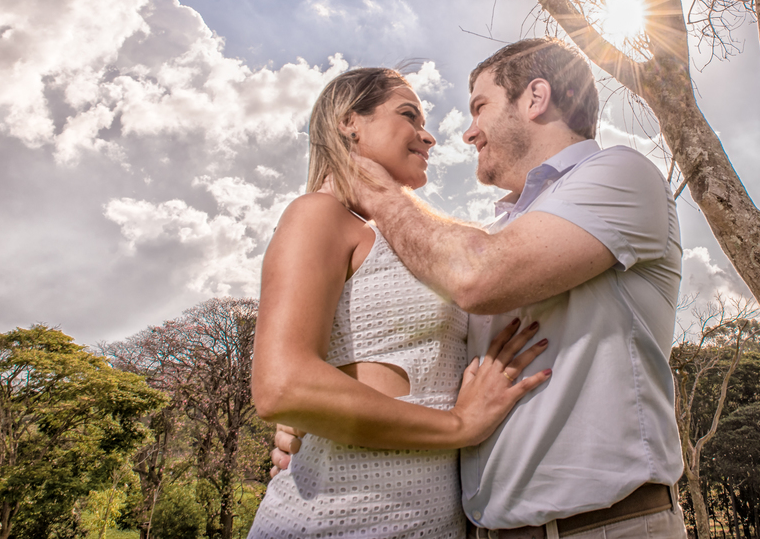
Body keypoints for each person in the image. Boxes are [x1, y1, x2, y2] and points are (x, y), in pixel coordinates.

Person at [277, 38, 687, 538]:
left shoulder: (619, 175)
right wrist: (320, 411)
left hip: (601, 527)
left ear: (535, 99)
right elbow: (430, 365)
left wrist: (377, 189)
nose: (464, 133)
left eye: (479, 107)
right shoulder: (493, 235)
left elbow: (475, 277)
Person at [248, 67, 550, 539]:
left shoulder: (408, 239)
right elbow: (283, 387)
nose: (428, 137)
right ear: (351, 122)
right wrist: (458, 426)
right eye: (409, 115)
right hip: (333, 520)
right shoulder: (317, 216)